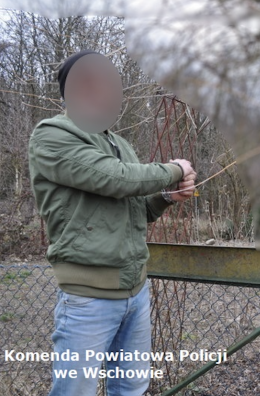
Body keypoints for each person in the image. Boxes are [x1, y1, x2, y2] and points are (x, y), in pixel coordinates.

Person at [27, 50, 197, 396]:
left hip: (135, 292)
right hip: (88, 299)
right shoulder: (52, 135)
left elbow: (136, 208)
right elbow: (116, 179)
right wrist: (175, 169)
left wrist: (166, 197)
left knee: (131, 387)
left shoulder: (118, 143)